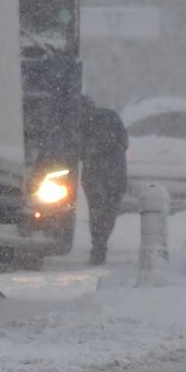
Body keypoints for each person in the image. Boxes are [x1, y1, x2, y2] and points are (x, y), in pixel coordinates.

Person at [79, 96, 128, 265]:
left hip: (96, 174)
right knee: (108, 210)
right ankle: (101, 244)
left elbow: (78, 150)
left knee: (97, 210)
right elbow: (124, 141)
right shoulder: (111, 117)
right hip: (116, 173)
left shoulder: (82, 126)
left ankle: (98, 245)